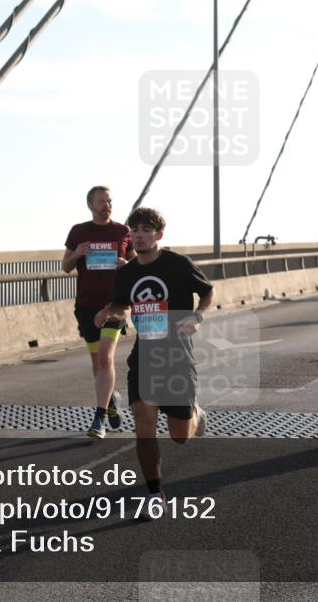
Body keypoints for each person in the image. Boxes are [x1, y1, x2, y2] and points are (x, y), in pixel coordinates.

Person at [103, 207, 214, 520]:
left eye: (146, 229)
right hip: (144, 358)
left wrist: (197, 316)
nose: (138, 234)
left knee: (179, 435)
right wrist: (110, 312)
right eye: (134, 229)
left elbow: (207, 292)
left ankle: (195, 414)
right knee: (144, 427)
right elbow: (122, 303)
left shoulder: (177, 264)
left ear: (158, 234)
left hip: (177, 357)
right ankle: (155, 494)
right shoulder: (126, 273)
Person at [63, 186, 136, 438]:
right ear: (90, 205)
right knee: (97, 364)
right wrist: (78, 254)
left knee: (105, 358)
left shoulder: (122, 231)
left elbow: (137, 266)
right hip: (86, 305)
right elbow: (65, 267)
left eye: (109, 201)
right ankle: (110, 399)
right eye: (101, 201)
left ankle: (99, 419)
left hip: (115, 304)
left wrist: (127, 264)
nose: (106, 205)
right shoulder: (78, 232)